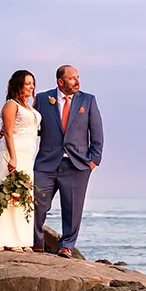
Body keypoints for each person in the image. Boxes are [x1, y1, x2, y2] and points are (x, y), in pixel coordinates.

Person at [34, 63, 103, 256]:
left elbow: (97, 131)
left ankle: (66, 246)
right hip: (46, 163)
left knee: (73, 210)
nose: (77, 81)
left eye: (78, 77)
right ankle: (36, 244)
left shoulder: (88, 100)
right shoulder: (42, 99)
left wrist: (93, 160)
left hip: (77, 164)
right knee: (37, 204)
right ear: (60, 81)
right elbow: (32, 125)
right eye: (72, 78)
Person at [0, 70, 40, 251]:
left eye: (33, 83)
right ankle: (6, 240)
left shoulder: (30, 108)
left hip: (27, 155)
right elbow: (9, 132)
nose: (31, 87)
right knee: (7, 194)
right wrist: (13, 157)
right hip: (11, 153)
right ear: (18, 85)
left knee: (23, 196)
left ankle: (21, 239)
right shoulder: (11, 105)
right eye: (28, 83)